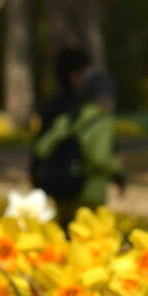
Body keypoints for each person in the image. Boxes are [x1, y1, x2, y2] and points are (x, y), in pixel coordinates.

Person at [31, 67, 124, 231]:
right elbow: (99, 158)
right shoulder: (102, 123)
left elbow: (41, 148)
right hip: (89, 194)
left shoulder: (67, 120)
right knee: (88, 241)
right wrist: (118, 167)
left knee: (63, 238)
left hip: (61, 192)